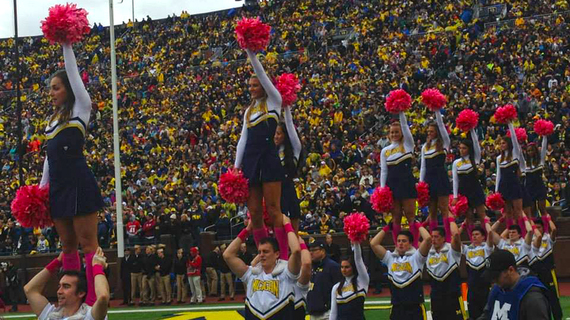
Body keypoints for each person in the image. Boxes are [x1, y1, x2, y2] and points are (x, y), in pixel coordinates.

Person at [39, 42, 105, 306]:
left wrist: (66, 44)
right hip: (58, 185)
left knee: (88, 244)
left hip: (78, 181)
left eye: (56, 87)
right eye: (50, 89)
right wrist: (42, 188)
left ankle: (90, 302)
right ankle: (71, 303)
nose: (51, 93)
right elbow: (49, 157)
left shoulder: (81, 109)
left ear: (69, 89)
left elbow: (73, 71)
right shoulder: (51, 121)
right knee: (67, 245)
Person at [234, 47, 287, 257]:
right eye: (250, 85)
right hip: (250, 161)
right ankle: (263, 253)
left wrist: (250, 53)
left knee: (274, 209)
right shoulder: (249, 111)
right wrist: (236, 169)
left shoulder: (274, 101)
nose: (252, 88)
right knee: (254, 212)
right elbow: (242, 140)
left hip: (269, 158)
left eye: (255, 85)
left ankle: (282, 255)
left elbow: (264, 75)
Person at [223, 214, 301, 319]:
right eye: (259, 252)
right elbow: (227, 255)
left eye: (266, 251)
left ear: (277, 254)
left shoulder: (286, 273)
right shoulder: (251, 274)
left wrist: (287, 225)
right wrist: (247, 230)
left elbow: (296, 251)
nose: (261, 255)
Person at [23, 247, 109, 320]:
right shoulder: (51, 314)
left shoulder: (89, 315)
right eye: (59, 286)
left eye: (66, 286)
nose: (59, 291)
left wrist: (97, 267)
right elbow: (29, 289)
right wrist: (57, 262)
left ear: (81, 293)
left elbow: (103, 297)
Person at [370, 222, 432, 320]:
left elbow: (428, 239)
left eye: (404, 241)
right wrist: (387, 228)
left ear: (410, 243)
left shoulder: (416, 257)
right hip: (397, 307)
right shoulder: (390, 258)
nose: (400, 243)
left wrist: (416, 223)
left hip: (414, 307)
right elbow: (373, 243)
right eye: (398, 241)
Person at [478, 249, 551, 320]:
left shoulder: (532, 298)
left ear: (511, 270)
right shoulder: (497, 290)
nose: (493, 280)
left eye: (496, 276)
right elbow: (487, 315)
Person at [380, 113, 419, 246]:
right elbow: (384, 171)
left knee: (410, 215)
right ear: (389, 134)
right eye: (392, 132)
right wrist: (382, 188)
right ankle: (398, 246)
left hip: (407, 183)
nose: (394, 134)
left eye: (397, 132)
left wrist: (401, 111)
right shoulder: (385, 150)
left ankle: (414, 245)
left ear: (402, 133)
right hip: (392, 186)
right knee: (396, 217)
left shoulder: (408, 145)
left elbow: (404, 125)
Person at [420, 112, 453, 239]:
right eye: (428, 131)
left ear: (437, 132)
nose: (429, 133)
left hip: (440, 177)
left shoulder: (444, 142)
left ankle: (448, 238)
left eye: (431, 131)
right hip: (429, 178)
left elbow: (441, 125)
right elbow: (423, 166)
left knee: (444, 209)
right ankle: (433, 237)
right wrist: (421, 184)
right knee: (432, 210)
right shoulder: (425, 147)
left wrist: (437, 111)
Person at [425, 221, 466, 320]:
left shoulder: (451, 249)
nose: (433, 240)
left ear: (443, 238)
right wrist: (424, 222)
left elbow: (456, 235)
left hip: (452, 296)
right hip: (436, 297)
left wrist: (450, 219)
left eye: (436, 237)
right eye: (432, 237)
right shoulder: (428, 251)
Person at [451, 131, 488, 233]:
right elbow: (455, 181)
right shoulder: (456, 163)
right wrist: (455, 196)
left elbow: (476, 143)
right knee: (469, 216)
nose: (461, 150)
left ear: (469, 149)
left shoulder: (475, 158)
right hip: (464, 191)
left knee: (482, 214)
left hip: (475, 189)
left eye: (464, 148)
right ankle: (473, 239)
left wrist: (471, 129)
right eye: (460, 148)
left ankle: (486, 237)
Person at [274, 105, 302, 232]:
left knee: (294, 216)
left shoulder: (295, 149)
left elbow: (290, 126)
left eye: (279, 133)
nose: (275, 136)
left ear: (285, 135)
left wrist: (286, 108)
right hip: (274, 192)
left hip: (288, 191)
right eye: (274, 133)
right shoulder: (271, 152)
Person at [459, 223, 493, 320]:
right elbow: (455, 237)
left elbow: (490, 233)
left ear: (483, 237)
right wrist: (463, 225)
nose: (474, 236)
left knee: (487, 314)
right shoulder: (466, 249)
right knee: (473, 315)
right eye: (473, 235)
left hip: (484, 288)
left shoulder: (487, 248)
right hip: (472, 288)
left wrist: (486, 221)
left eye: (477, 234)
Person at [495, 122, 526, 227]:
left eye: (503, 143)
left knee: (518, 211)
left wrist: (509, 123)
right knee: (507, 212)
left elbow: (514, 139)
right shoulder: (499, 158)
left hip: (514, 184)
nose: (501, 145)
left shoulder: (515, 153)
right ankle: (511, 231)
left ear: (508, 143)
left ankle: (521, 233)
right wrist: (496, 192)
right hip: (504, 185)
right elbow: (498, 175)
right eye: (500, 143)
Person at [531, 219, 563, 320]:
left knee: (553, 297)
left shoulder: (548, 238)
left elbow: (554, 230)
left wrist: (547, 218)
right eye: (535, 227)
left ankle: (558, 317)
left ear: (543, 228)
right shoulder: (530, 241)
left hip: (549, 272)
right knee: (541, 298)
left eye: (539, 227)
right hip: (536, 274)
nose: (537, 229)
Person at [329, 241, 370, 320]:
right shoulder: (336, 287)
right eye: (342, 267)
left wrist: (356, 242)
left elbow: (358, 259)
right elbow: (333, 313)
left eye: (347, 267)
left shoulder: (361, 281)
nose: (344, 270)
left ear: (353, 267)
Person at [306, 241, 342, 320]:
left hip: (327, 313)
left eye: (314, 250)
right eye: (310, 250)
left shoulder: (332, 266)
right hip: (313, 312)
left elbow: (339, 289)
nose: (311, 253)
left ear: (323, 251)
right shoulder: (311, 266)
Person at [524, 137, 549, 218]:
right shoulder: (524, 164)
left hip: (539, 187)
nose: (530, 152)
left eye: (531, 150)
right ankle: (535, 229)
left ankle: (546, 229)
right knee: (532, 210)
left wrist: (544, 136)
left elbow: (544, 147)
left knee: (542, 209)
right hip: (529, 188)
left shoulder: (540, 161)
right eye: (528, 151)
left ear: (535, 151)